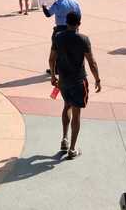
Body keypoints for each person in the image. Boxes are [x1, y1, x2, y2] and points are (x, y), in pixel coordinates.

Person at [48, 12, 101, 160]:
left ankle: (64, 138)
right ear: (79, 23)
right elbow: (92, 62)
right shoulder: (83, 39)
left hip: (63, 81)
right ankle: (72, 149)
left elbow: (51, 59)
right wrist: (97, 79)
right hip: (78, 81)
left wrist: (53, 75)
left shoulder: (58, 37)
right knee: (76, 113)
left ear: (66, 22)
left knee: (66, 106)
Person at [43, 0, 81, 74]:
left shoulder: (58, 3)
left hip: (60, 29)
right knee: (71, 49)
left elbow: (48, 14)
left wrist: (44, 7)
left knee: (56, 50)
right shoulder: (74, 2)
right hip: (73, 28)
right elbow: (79, 16)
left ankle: (56, 69)